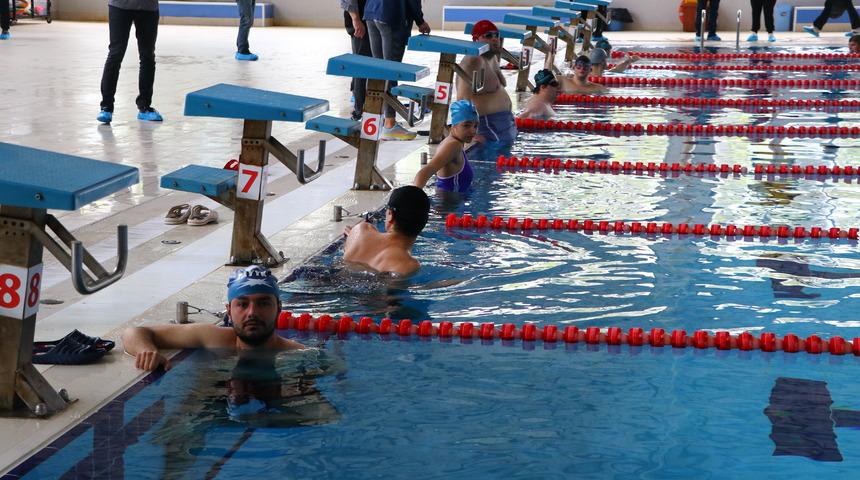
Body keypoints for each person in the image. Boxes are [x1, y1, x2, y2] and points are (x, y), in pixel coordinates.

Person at [123, 266, 304, 371]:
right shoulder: (212, 337)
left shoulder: (297, 356)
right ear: (229, 310)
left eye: (263, 303)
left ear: (279, 308)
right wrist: (146, 351)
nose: (252, 313)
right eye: (242, 304)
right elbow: (133, 332)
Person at [363, 0, 431, 141]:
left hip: (371, 11)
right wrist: (420, 21)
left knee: (379, 71)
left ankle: (377, 119)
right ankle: (390, 123)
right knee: (391, 71)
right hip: (391, 14)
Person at [97, 0, 163, 124]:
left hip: (148, 8)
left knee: (147, 56)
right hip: (120, 6)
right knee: (115, 54)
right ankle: (106, 107)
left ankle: (144, 107)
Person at [342, 185, 430, 276]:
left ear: (390, 214)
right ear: (424, 222)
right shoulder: (408, 265)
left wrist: (352, 237)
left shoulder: (361, 230)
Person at [457, 20, 517, 146]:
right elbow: (462, 99)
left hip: (503, 123)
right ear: (476, 40)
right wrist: (469, 133)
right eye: (488, 36)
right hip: (489, 126)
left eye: (496, 35)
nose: (495, 39)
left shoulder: (491, 57)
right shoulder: (474, 61)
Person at [414, 100, 478, 192]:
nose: (473, 131)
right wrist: (414, 194)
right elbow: (428, 170)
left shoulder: (455, 142)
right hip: (450, 200)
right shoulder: (453, 146)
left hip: (453, 198)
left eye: (475, 126)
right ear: (452, 126)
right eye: (466, 125)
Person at [342, 0, 372, 121]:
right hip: (362, 19)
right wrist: (356, 19)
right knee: (361, 66)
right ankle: (359, 111)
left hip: (368, 16)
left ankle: (361, 106)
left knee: (364, 65)